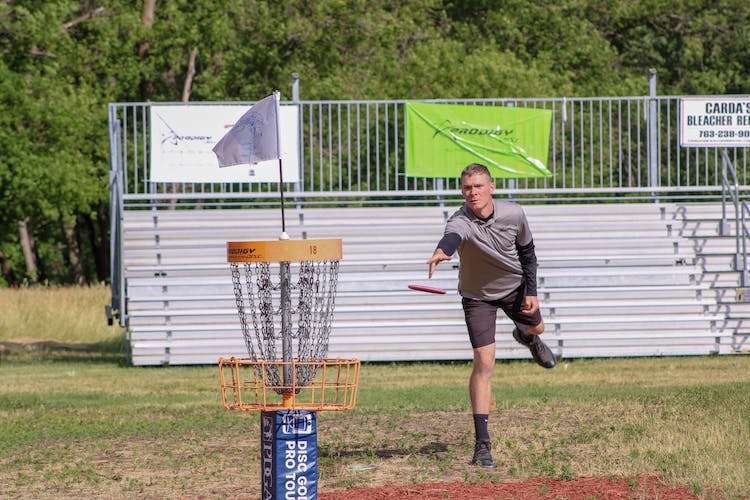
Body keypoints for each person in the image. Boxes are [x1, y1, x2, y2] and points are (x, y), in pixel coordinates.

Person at [427, 163, 556, 468]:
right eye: (467, 187)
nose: (473, 192)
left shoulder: (514, 214)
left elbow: (528, 253)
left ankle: (528, 338)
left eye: (478, 186)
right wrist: (443, 251)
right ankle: (482, 443)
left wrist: (532, 291)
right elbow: (452, 238)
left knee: (537, 329)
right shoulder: (459, 220)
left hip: (515, 287)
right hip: (477, 297)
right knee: (484, 362)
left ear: (491, 187)